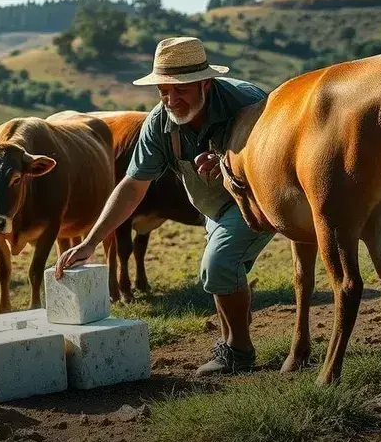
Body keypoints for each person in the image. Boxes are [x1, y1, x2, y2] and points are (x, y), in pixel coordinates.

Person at [53, 36, 274, 376]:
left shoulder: (248, 103)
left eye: (180, 89)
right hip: (213, 208)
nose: (171, 99)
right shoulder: (159, 123)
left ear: (205, 82)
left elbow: (276, 155)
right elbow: (132, 185)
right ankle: (233, 346)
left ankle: (239, 351)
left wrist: (232, 162)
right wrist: (91, 241)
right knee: (224, 271)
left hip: (255, 197)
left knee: (217, 267)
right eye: (163, 91)